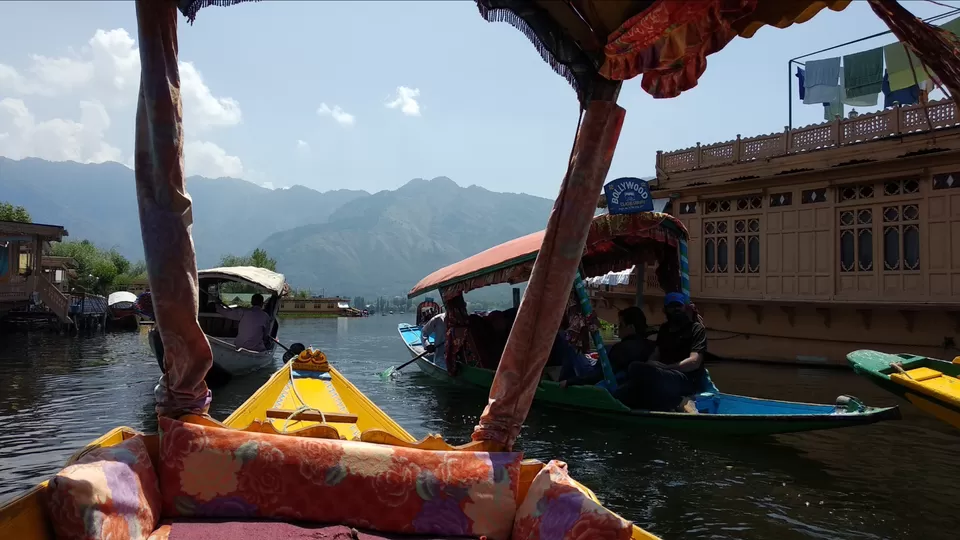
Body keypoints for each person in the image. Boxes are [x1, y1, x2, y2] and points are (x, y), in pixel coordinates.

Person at [613, 292, 707, 411]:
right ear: (665, 310)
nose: (676, 309)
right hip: (664, 376)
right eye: (672, 307)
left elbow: (694, 361)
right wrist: (651, 363)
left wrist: (667, 368)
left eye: (679, 306)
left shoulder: (696, 329)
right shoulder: (664, 329)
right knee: (633, 372)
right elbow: (656, 354)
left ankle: (679, 401)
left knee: (639, 372)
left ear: (684, 308)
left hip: (685, 379)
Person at [561, 306, 655, 388]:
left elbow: (600, 375)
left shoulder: (622, 349)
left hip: (600, 380)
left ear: (631, 328)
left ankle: (562, 382)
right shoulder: (650, 346)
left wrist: (571, 382)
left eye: (621, 325)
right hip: (616, 380)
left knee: (570, 348)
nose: (618, 328)